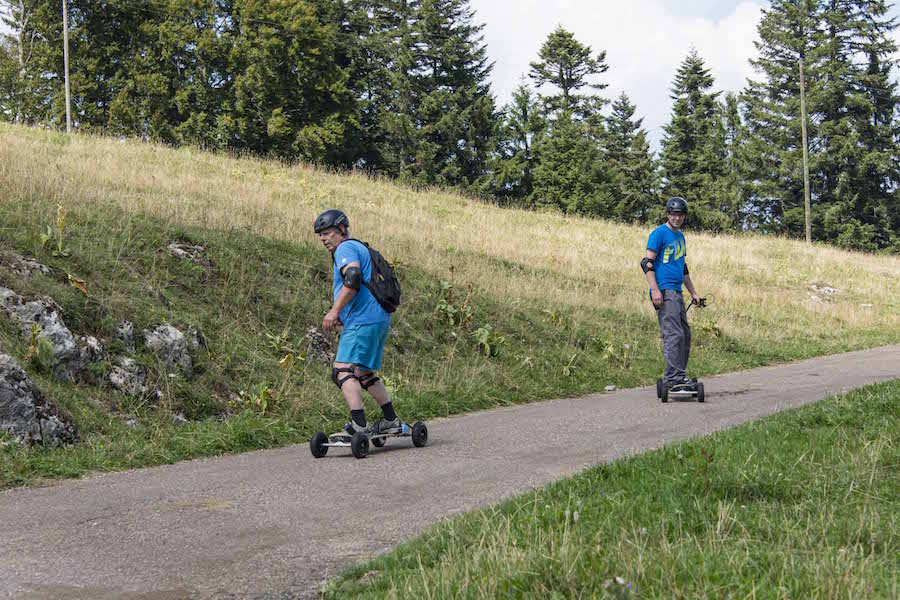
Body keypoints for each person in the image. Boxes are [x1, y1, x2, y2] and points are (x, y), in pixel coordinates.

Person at [314, 209, 402, 436]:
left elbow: (352, 279)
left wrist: (334, 312)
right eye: (320, 235)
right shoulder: (359, 246)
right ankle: (391, 421)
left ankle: (358, 425)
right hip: (377, 319)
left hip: (363, 321)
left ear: (342, 230)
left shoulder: (346, 247)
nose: (323, 238)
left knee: (342, 371)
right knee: (364, 373)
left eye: (327, 233)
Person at [641, 197, 702, 392]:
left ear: (684, 216)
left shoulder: (680, 237)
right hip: (664, 291)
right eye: (673, 214)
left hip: (677, 292)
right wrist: (655, 290)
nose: (677, 217)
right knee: (674, 334)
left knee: (684, 334)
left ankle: (677, 376)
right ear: (668, 214)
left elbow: (682, 267)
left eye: (680, 214)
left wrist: (693, 293)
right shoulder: (658, 234)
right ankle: (675, 378)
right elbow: (646, 263)